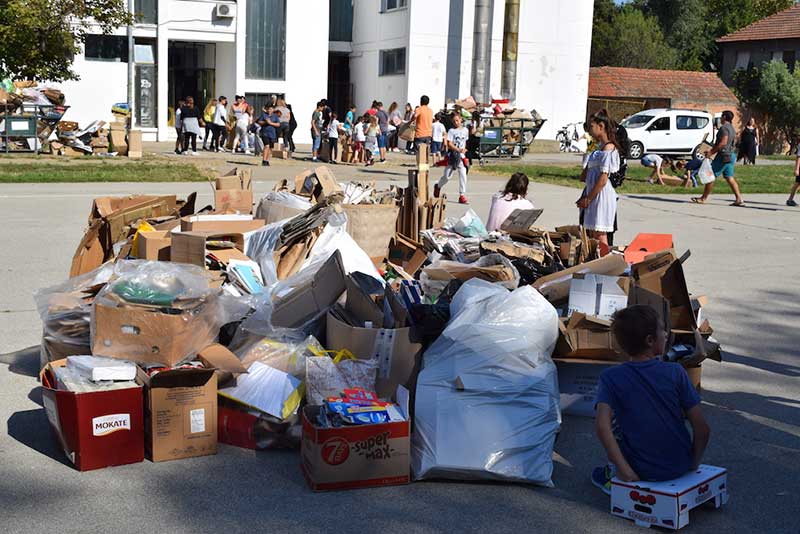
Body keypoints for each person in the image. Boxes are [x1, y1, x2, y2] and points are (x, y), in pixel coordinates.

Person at [591, 305, 710, 494]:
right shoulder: (676, 372)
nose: (665, 334)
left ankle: (613, 474)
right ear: (649, 340)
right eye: (662, 330)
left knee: (617, 428)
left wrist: (626, 471)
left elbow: (602, 427)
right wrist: (692, 463)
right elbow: (702, 429)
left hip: (639, 470)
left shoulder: (610, 377)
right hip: (679, 466)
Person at [577, 109, 620, 249]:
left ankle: (604, 264)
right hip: (593, 196)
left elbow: (603, 180)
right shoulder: (598, 150)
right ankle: (595, 261)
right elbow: (583, 177)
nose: (589, 130)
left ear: (601, 127)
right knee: (592, 233)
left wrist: (588, 198)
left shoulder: (609, 149)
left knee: (600, 234)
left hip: (601, 197)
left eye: (591, 126)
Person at [691, 111, 744, 206]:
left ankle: (703, 198)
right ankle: (739, 199)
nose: (720, 119)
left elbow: (723, 142)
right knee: (729, 177)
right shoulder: (732, 128)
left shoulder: (724, 128)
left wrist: (711, 152)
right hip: (731, 155)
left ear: (724, 117)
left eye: (721, 117)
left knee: (710, 176)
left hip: (723, 156)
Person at [433, 113, 470, 204]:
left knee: (463, 175)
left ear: (461, 120)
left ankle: (462, 195)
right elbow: (449, 144)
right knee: (447, 176)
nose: (456, 122)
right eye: (454, 121)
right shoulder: (451, 131)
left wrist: (464, 150)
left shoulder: (465, 130)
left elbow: (465, 141)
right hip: (453, 156)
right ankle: (438, 186)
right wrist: (457, 149)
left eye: (457, 120)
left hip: (461, 157)